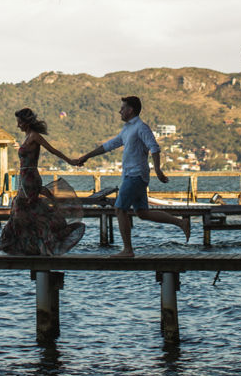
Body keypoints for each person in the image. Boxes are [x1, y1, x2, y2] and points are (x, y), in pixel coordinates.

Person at [76, 95, 191, 257]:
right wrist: (86, 156)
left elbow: (154, 148)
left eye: (122, 108)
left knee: (119, 209)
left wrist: (158, 170)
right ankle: (180, 222)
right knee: (143, 212)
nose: (119, 111)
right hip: (132, 175)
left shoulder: (141, 128)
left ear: (130, 110)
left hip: (136, 175)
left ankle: (128, 250)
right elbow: (109, 145)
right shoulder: (127, 129)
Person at [0, 108, 86, 256]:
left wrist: (70, 161)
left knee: (22, 210)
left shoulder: (34, 136)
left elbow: (53, 150)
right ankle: (37, 246)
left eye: (19, 122)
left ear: (26, 122)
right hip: (25, 176)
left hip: (30, 177)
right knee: (25, 211)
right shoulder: (27, 137)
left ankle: (42, 244)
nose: (17, 125)